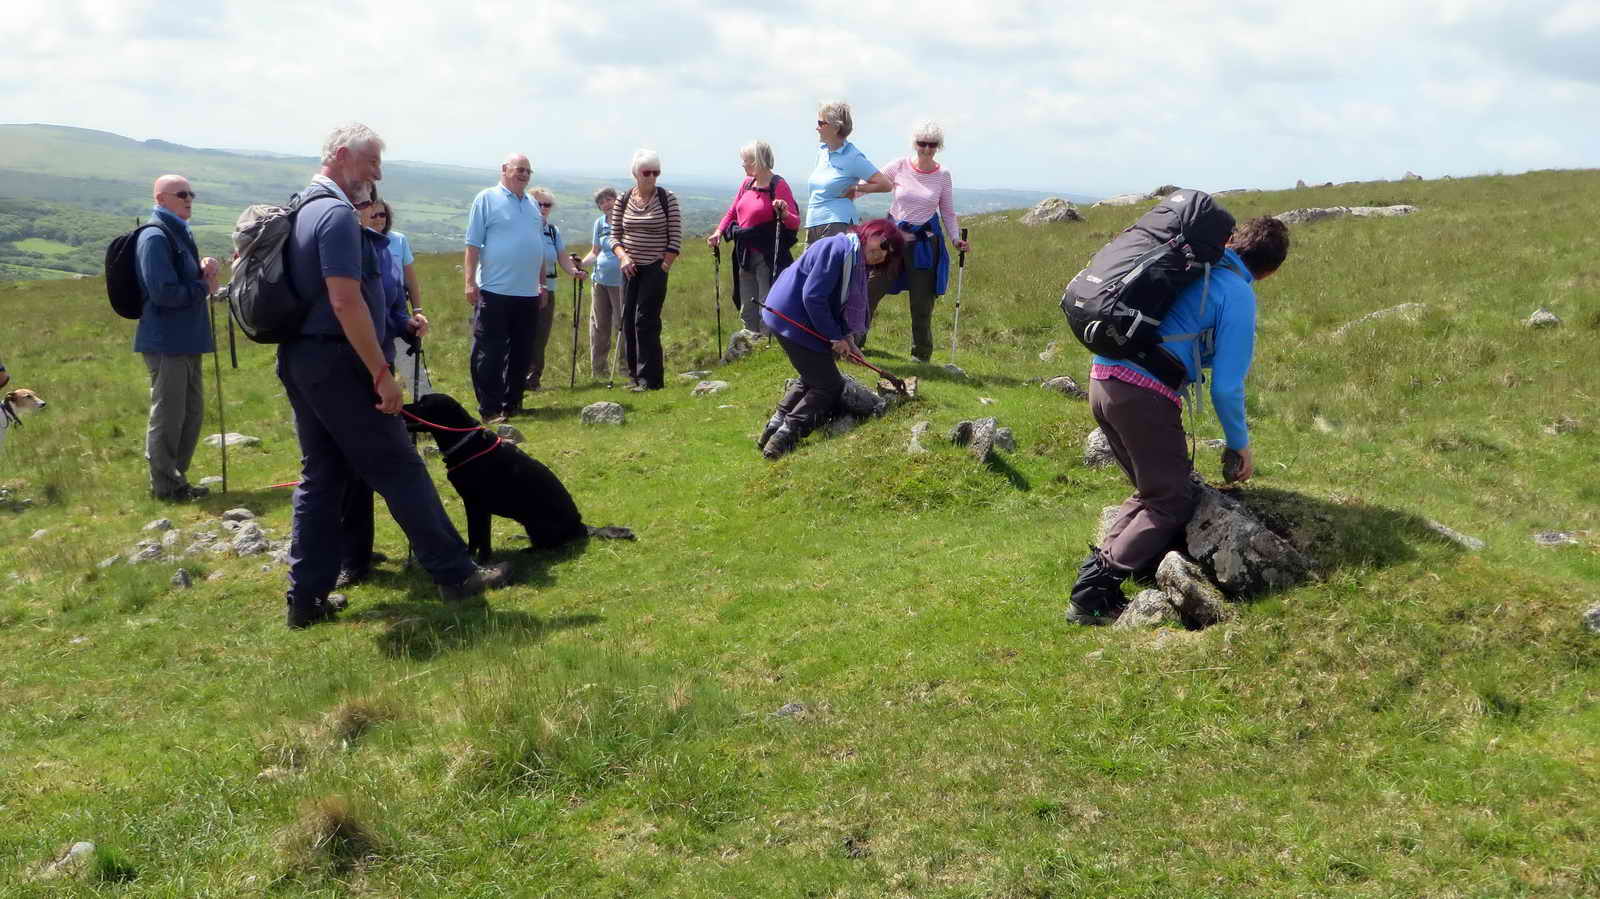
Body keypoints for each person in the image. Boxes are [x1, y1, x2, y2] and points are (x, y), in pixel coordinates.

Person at [278, 123, 508, 629]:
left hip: (303, 359)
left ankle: (306, 600)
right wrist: (381, 371)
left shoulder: (301, 207)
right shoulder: (336, 215)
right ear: (340, 156)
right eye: (371, 163)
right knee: (399, 469)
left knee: (321, 476)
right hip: (343, 364)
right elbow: (344, 299)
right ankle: (456, 574)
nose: (377, 174)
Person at [1067, 216, 1291, 625]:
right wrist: (1239, 443)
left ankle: (1108, 570)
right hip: (1141, 394)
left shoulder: (1193, 268)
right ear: (1272, 270)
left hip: (1103, 378)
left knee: (1155, 489)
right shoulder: (1236, 293)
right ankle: (1091, 597)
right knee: (1172, 499)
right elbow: (1226, 387)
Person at [337, 184, 431, 587]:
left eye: (374, 208)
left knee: (395, 462)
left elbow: (388, 307)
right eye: (362, 206)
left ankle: (431, 554)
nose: (370, 213)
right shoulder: (333, 243)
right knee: (349, 469)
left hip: (381, 363)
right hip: (343, 369)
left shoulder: (382, 249)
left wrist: (406, 321)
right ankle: (353, 558)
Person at [757, 218, 907, 459]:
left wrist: (848, 340)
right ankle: (784, 437)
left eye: (889, 255)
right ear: (871, 232)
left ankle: (773, 427)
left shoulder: (853, 261)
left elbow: (835, 303)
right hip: (791, 317)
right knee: (829, 384)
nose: (882, 254)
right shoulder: (838, 249)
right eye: (884, 243)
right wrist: (835, 338)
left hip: (794, 316)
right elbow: (813, 297)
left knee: (814, 375)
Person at [134, 173, 219, 502]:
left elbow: (176, 278)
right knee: (169, 414)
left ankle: (176, 479)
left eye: (191, 193)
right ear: (160, 199)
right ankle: (166, 487)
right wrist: (204, 286)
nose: (189, 198)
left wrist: (200, 269)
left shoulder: (177, 233)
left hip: (187, 338)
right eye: (181, 193)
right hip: (167, 340)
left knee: (191, 412)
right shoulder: (156, 236)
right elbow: (163, 292)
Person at [865, 121, 971, 362]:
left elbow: (948, 212)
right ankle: (854, 342)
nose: (926, 149)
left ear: (938, 147)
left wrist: (955, 239)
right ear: (915, 144)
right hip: (891, 241)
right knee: (871, 289)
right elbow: (875, 184)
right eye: (922, 144)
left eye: (932, 145)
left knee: (922, 303)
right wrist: (851, 191)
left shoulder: (943, 175)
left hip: (924, 244)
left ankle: (921, 356)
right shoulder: (899, 166)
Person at [465, 153, 549, 422]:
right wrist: (469, 282)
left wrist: (541, 284)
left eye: (528, 171)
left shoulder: (533, 205)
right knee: (490, 351)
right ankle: (489, 408)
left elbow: (537, 247)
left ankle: (513, 403)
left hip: (527, 293)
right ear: (504, 170)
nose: (524, 174)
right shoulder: (487, 199)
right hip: (495, 289)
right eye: (519, 169)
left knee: (522, 352)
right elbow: (473, 244)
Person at [707, 140, 801, 335]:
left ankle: (768, 343)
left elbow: (794, 223)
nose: (743, 165)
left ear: (758, 161)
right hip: (744, 253)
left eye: (746, 161)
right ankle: (749, 343)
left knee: (766, 302)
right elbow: (732, 212)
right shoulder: (747, 183)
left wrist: (783, 213)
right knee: (746, 302)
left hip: (766, 254)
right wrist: (718, 232)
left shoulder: (779, 185)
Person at [610, 149, 682, 392]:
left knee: (646, 321)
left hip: (654, 267)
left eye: (656, 172)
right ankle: (633, 375)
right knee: (628, 319)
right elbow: (614, 236)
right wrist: (623, 257)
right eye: (646, 172)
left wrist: (664, 266)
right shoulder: (623, 199)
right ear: (635, 173)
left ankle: (650, 380)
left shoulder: (666, 198)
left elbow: (675, 237)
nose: (651, 177)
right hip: (629, 267)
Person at [525, 187, 587, 392]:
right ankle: (515, 379)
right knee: (521, 335)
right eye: (538, 204)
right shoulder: (524, 228)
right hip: (524, 289)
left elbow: (561, 256)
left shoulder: (552, 231)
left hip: (548, 289)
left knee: (540, 336)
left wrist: (574, 272)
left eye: (547, 205)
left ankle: (532, 380)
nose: (543, 208)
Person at [369, 196, 431, 397]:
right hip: (373, 312)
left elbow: (410, 279)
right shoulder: (360, 242)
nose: (378, 219)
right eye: (373, 215)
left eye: (382, 214)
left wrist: (418, 311)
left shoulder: (398, 240)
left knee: (409, 359)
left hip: (398, 310)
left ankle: (420, 403)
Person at [804, 101, 892, 243]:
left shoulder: (853, 156)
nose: (817, 128)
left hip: (837, 225)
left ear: (835, 127)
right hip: (813, 223)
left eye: (821, 123)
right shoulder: (822, 152)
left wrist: (856, 188)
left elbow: (885, 184)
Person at [580, 187, 625, 380]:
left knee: (621, 325)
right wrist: (580, 265)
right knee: (599, 326)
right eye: (602, 202)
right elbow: (595, 252)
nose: (606, 204)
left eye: (609, 199)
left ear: (617, 200)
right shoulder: (599, 223)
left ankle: (625, 368)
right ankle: (598, 371)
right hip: (599, 281)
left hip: (621, 281)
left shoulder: (625, 221)